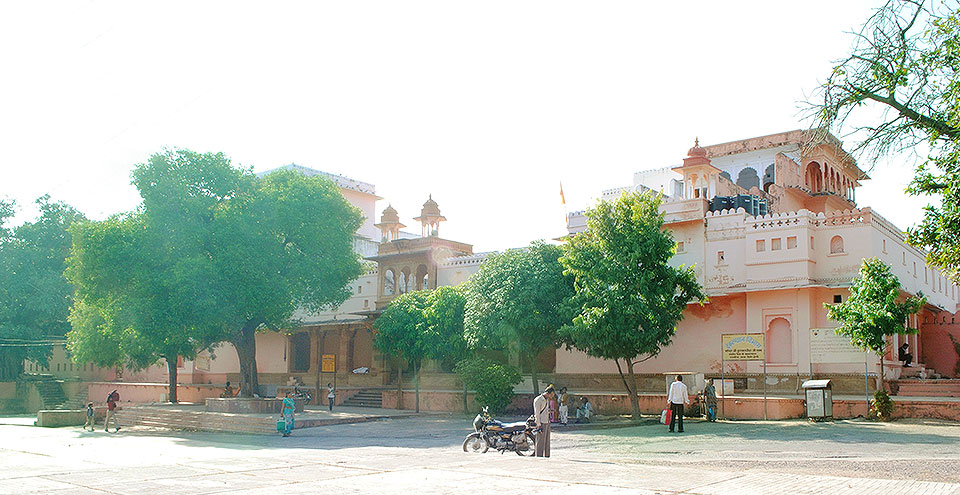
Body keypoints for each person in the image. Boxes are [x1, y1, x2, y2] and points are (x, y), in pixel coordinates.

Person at [533, 385, 555, 457]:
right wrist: (538, 424)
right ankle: (539, 455)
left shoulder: (546, 400)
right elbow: (537, 413)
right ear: (548, 393)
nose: (552, 397)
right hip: (541, 422)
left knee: (547, 441)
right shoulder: (538, 400)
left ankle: (547, 455)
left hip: (547, 421)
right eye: (551, 395)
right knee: (540, 441)